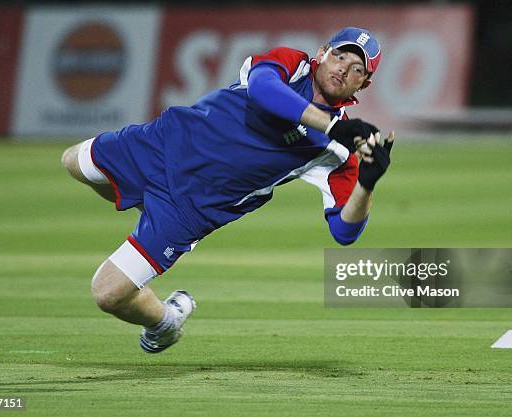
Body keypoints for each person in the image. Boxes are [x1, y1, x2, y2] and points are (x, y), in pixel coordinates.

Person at [61, 27, 395, 353]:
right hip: (162, 144)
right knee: (74, 161)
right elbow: (263, 90)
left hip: (188, 208)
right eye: (339, 55)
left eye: (356, 68)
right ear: (322, 53)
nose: (342, 68)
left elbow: (344, 231)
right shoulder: (292, 65)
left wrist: (366, 184)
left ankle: (166, 321)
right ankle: (140, 204)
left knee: (108, 293)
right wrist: (334, 125)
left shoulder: (337, 152)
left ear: (363, 84)